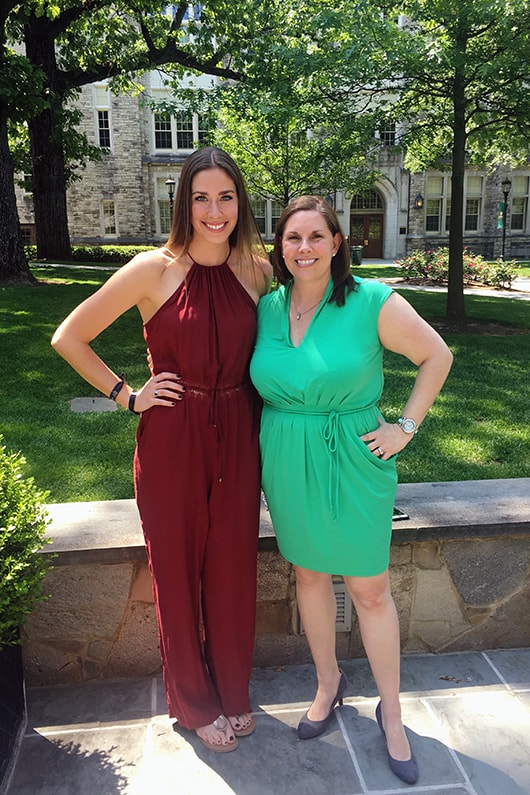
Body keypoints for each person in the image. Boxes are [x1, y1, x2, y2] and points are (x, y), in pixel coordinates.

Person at [51, 147, 272, 753]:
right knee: (175, 571)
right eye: (201, 197)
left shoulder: (256, 269)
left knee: (231, 570)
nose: (214, 210)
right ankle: (193, 701)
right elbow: (68, 336)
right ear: (183, 203)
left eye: (225, 196)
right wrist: (127, 394)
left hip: (239, 434)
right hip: (173, 435)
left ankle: (232, 690)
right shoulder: (154, 268)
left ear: (240, 202)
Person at [250, 195, 453, 784]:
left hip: (354, 458)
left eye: (317, 236)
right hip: (288, 458)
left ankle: (392, 713)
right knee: (309, 575)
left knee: (368, 590)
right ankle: (328, 682)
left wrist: (405, 428)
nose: (305, 248)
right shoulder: (267, 307)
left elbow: (435, 355)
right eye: (293, 238)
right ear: (280, 246)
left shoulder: (371, 301)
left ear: (337, 243)